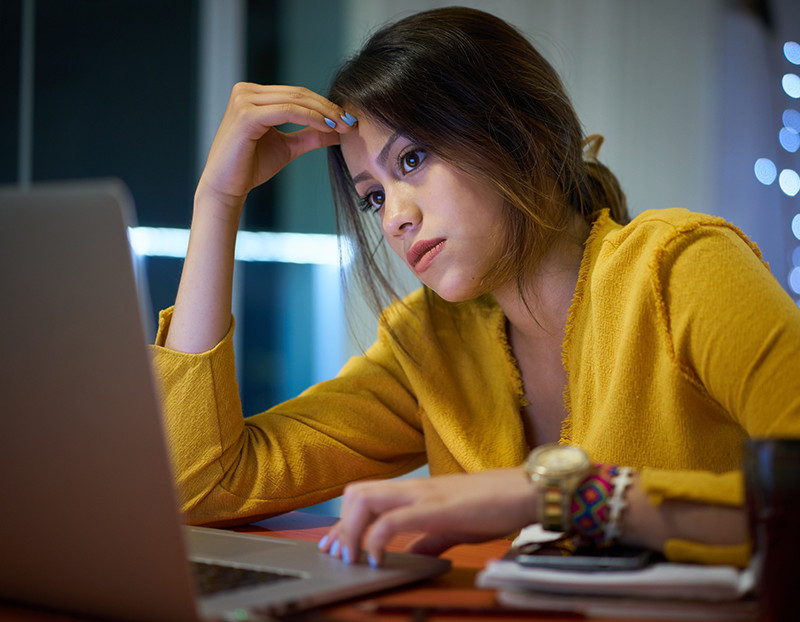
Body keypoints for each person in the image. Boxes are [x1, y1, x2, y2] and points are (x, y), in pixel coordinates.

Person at [150, 6, 800, 571]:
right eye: (372, 195)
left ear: (521, 133)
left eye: (412, 160)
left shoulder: (679, 268)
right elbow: (201, 488)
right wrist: (218, 201)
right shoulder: (429, 345)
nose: (395, 215)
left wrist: (556, 496)